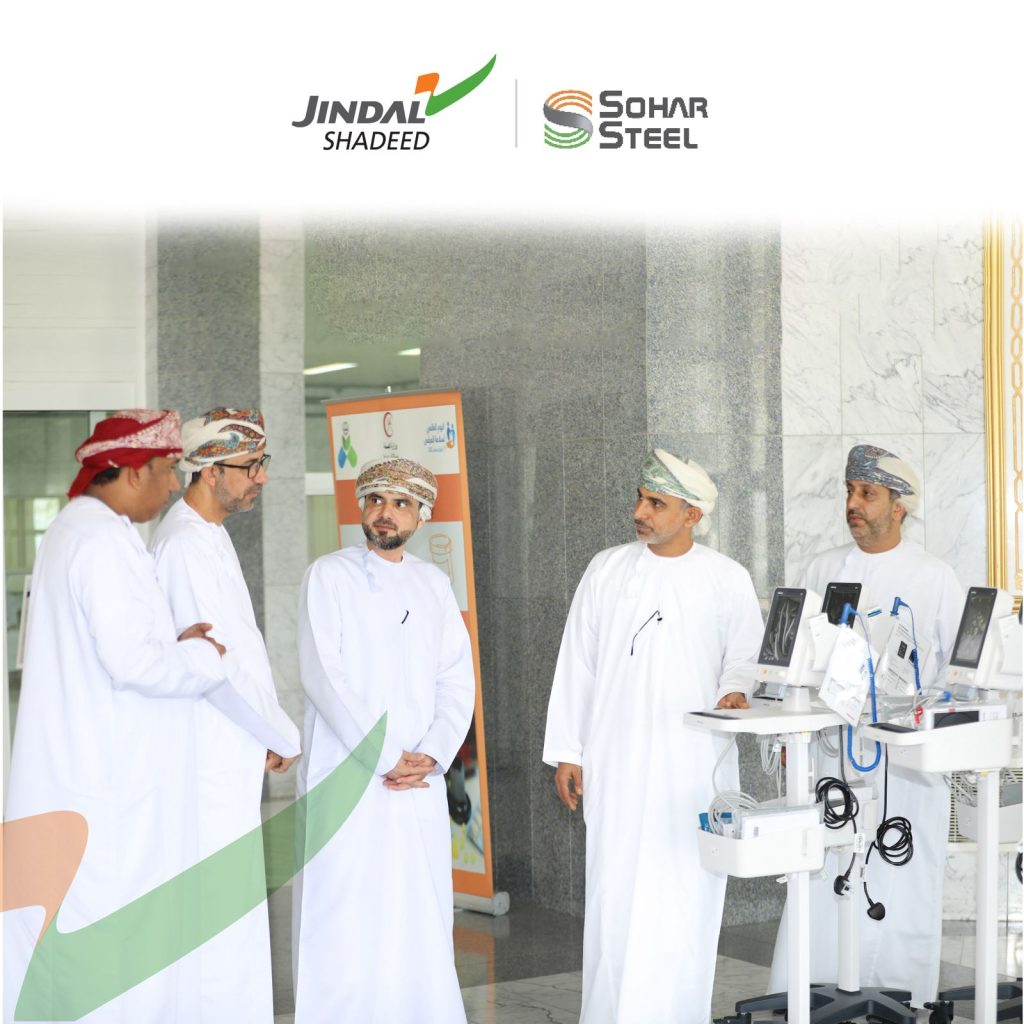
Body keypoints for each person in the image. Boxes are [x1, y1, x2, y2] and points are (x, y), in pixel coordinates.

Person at [3, 410, 230, 1022]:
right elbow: (135, 662)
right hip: (106, 781)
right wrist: (202, 656)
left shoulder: (77, 530)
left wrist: (174, 643)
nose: (174, 484)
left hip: (85, 771)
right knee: (113, 927)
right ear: (134, 472)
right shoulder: (100, 540)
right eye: (168, 469)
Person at [542, 449, 764, 1024]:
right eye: (640, 499)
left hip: (692, 765)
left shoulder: (726, 577)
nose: (639, 512)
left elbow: (745, 656)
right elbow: (577, 663)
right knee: (614, 895)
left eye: (655, 503)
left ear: (692, 515)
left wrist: (735, 690)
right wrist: (567, 751)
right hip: (615, 760)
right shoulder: (607, 569)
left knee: (685, 893)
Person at [768, 443, 964, 1008]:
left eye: (867, 494)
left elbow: (957, 669)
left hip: (906, 763)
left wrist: (921, 706)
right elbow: (794, 658)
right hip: (833, 753)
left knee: (902, 871)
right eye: (850, 492)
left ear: (898, 506)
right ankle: (816, 991)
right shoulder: (823, 570)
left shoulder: (934, 577)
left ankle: (903, 997)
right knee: (828, 867)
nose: (853, 504)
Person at [292, 456, 475, 1024]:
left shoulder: (433, 583)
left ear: (422, 516)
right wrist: (387, 756)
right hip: (347, 775)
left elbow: (456, 679)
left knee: (415, 910)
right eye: (374, 500)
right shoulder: (328, 576)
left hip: (416, 781)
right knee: (343, 912)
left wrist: (433, 755)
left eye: (399, 503)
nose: (384, 513)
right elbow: (324, 676)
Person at [149, 407, 301, 1023]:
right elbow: (212, 667)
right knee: (214, 912)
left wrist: (264, 730)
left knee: (231, 907)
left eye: (263, 463)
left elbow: (238, 652)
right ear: (210, 471)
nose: (261, 477)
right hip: (204, 753)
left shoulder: (210, 534)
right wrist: (279, 732)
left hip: (230, 747)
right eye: (250, 466)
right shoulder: (184, 545)